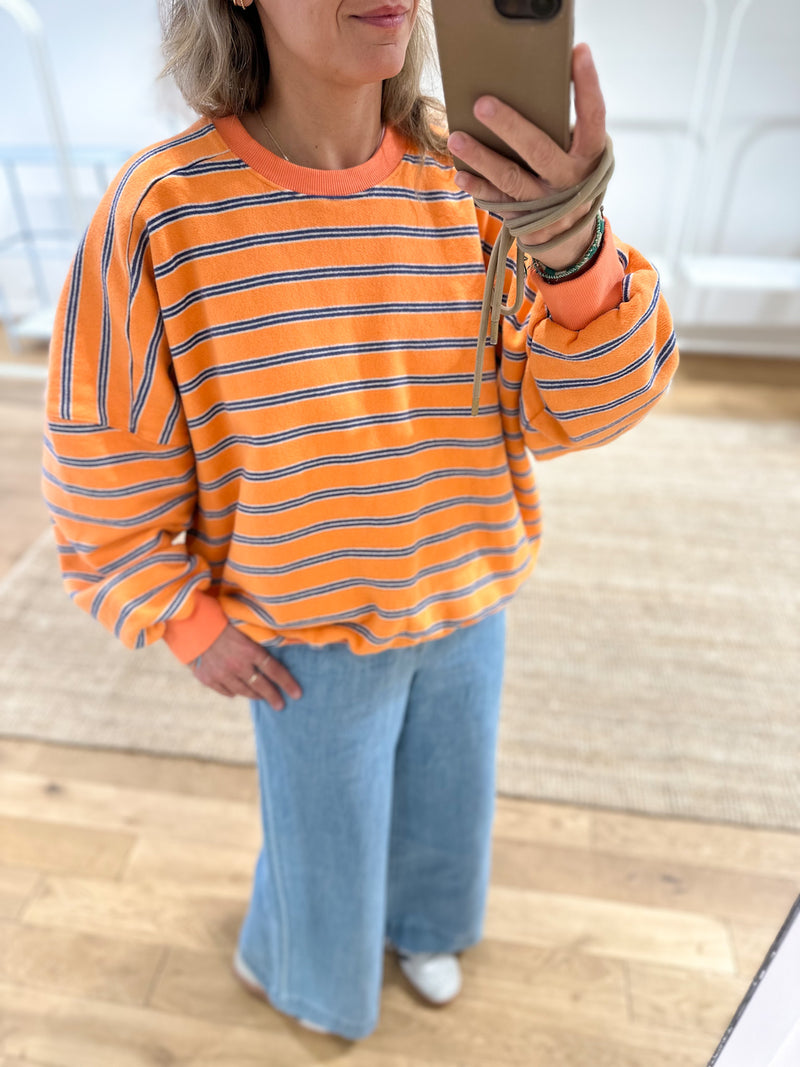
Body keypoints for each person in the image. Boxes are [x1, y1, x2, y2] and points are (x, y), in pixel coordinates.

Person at [41, 0, 678, 1043]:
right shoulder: (160, 211)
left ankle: (427, 923)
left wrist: (573, 259)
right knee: (322, 841)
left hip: (465, 591)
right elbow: (103, 442)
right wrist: (177, 613)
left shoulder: (467, 178)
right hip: (304, 632)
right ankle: (299, 969)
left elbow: (571, 406)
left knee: (447, 803)